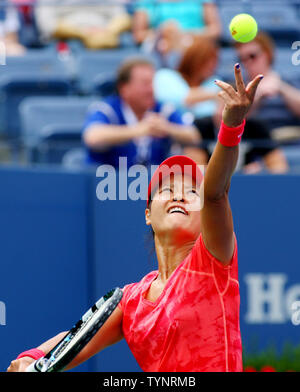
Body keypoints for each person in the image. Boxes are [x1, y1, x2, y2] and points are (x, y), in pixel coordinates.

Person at [8, 63, 264, 372]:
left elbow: (215, 192)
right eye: (167, 188)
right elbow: (78, 335)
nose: (180, 195)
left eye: (191, 192)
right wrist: (31, 357)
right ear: (148, 214)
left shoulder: (213, 263)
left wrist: (232, 126)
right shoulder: (131, 300)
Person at [82, 57, 200, 167]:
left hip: (153, 184)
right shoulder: (107, 109)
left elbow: (193, 136)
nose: (151, 89)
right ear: (124, 88)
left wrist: (167, 128)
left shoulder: (163, 109)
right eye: (145, 84)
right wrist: (138, 130)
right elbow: (92, 137)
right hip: (107, 184)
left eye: (152, 83)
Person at [185, 97, 289, 174]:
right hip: (209, 189)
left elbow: (279, 166)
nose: (221, 112)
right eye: (219, 106)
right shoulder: (202, 126)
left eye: (227, 108)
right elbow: (193, 168)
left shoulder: (257, 127)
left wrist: (261, 169)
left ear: (244, 112)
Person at [235, 31, 300, 139]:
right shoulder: (239, 87)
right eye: (242, 59)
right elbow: (235, 121)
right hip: (257, 140)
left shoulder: (288, 80)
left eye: (252, 56)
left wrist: (280, 87)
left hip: (292, 137)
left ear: (267, 54)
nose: (247, 62)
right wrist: (257, 95)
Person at [132, 0, 221, 67]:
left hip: (192, 42)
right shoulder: (147, 2)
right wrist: (164, 32)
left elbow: (215, 30)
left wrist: (183, 34)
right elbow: (139, 35)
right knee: (164, 42)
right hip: (160, 43)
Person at [154, 36, 220, 120]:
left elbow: (212, 113)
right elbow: (182, 99)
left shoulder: (214, 82)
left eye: (215, 61)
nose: (212, 65)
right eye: (207, 60)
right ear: (193, 59)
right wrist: (215, 94)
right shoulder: (165, 76)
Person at [34, 0, 132, 49]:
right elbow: (47, 25)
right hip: (66, 42)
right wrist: (83, 33)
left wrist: (108, 31)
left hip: (106, 38)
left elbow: (122, 17)